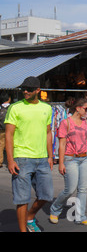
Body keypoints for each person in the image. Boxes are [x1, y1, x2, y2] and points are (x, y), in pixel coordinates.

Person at [5, 76, 53, 232]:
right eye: (23, 88)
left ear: (38, 90)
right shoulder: (15, 108)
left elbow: (48, 132)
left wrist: (51, 156)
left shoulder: (46, 108)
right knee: (22, 199)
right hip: (22, 158)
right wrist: (10, 160)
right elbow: (8, 135)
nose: (25, 91)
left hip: (42, 158)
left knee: (46, 195)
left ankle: (30, 217)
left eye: (29, 89)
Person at [49, 98, 87, 226]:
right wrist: (61, 163)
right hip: (70, 158)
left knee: (83, 189)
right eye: (86, 109)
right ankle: (55, 209)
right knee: (70, 189)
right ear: (78, 108)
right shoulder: (66, 123)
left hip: (85, 158)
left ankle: (80, 216)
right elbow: (62, 144)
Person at [0, 91, 11, 168]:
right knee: (10, 145)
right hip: (10, 129)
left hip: (1, 130)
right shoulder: (12, 108)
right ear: (9, 99)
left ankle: (0, 161)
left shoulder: (0, 108)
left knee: (1, 145)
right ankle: (10, 161)